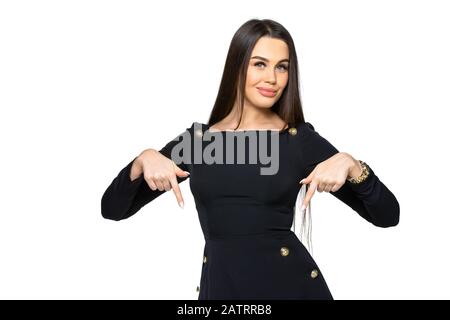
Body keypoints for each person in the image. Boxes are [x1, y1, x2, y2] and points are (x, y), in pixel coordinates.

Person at [101, 19, 400, 300]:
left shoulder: (298, 141)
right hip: (223, 292)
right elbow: (113, 209)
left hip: (290, 289)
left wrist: (352, 165)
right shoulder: (199, 143)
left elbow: (388, 216)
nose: (272, 78)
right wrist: (142, 161)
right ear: (237, 67)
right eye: (260, 64)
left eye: (282, 67)